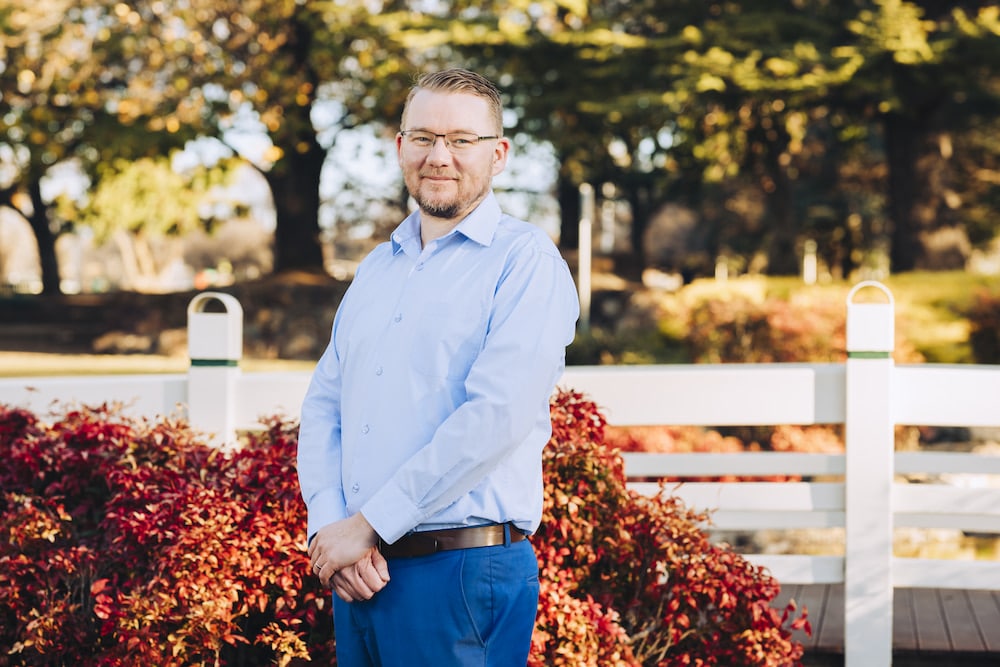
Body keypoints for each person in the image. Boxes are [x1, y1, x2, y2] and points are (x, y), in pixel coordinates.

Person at [296, 68, 580, 666]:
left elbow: (494, 418)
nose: (439, 156)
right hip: (361, 573)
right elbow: (326, 405)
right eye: (422, 137)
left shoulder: (525, 263)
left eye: (461, 139)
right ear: (400, 147)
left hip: (459, 574)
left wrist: (368, 525)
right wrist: (334, 532)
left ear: (498, 154)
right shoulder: (377, 267)